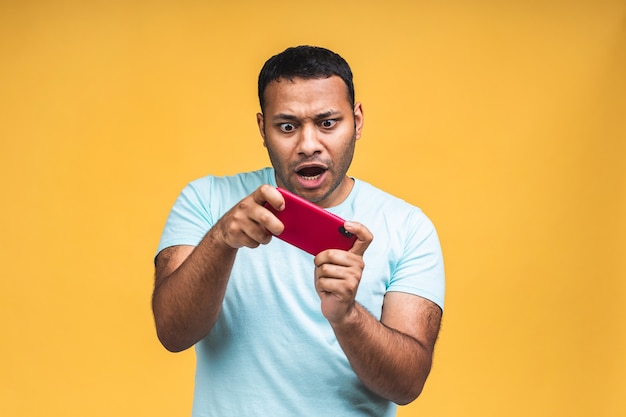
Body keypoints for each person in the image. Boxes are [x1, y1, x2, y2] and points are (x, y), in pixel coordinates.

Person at [152, 45, 445, 417]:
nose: (308, 145)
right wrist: (221, 240)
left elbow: (407, 385)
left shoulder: (408, 227)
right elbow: (173, 334)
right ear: (263, 128)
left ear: (357, 121)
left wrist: (348, 316)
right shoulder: (207, 200)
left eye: (327, 123)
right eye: (287, 126)